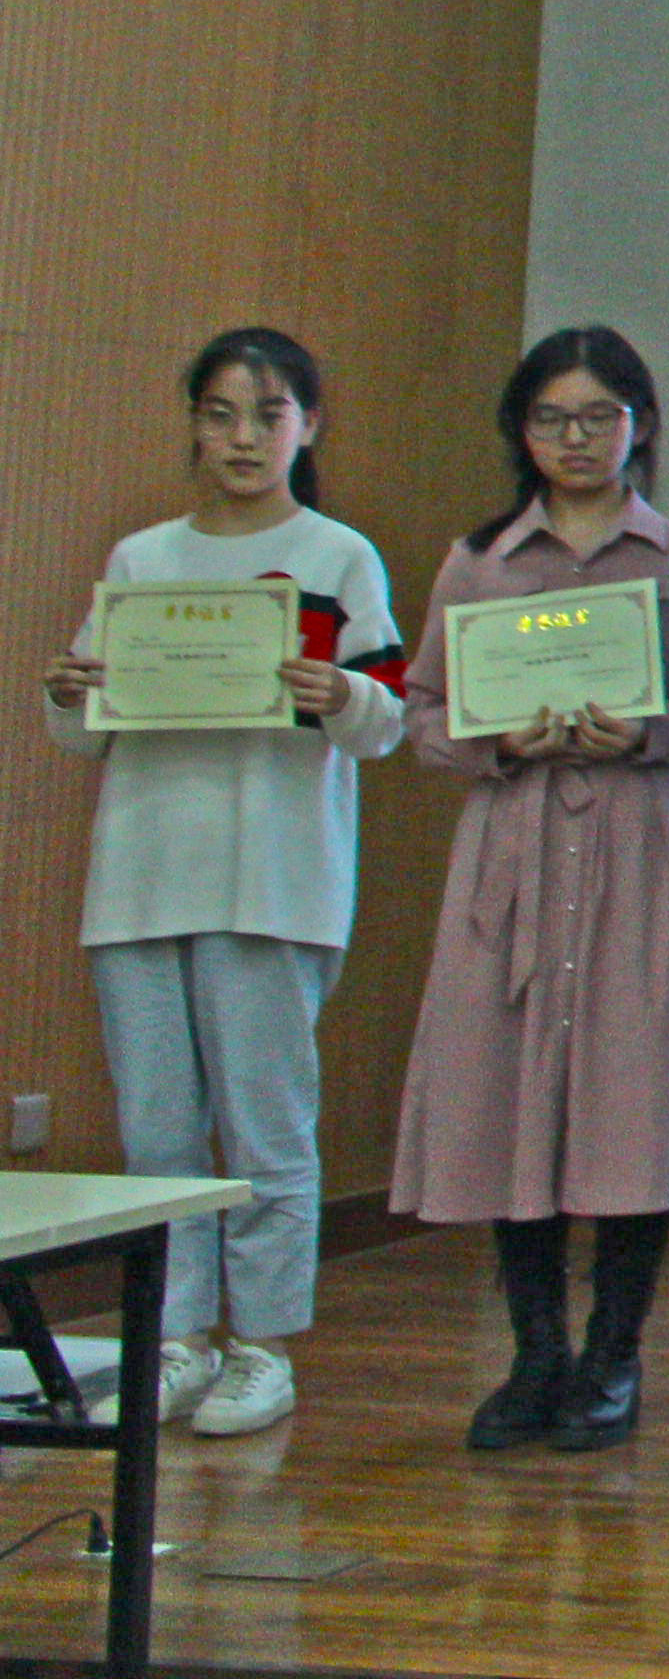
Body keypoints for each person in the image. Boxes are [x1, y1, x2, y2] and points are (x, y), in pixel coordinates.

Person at [394, 327, 669, 1453]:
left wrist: (647, 732)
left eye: (601, 417)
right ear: (522, 431)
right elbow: (422, 716)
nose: (578, 439)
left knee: (631, 1096)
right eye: (553, 418)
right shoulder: (479, 562)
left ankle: (614, 1356)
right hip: (514, 841)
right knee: (513, 1095)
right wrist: (496, 741)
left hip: (637, 843)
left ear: (640, 426)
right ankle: (536, 1355)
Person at [42, 327, 405, 1436]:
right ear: (194, 425)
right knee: (156, 1134)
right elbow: (86, 732)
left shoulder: (339, 556)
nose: (244, 437)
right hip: (142, 876)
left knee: (265, 1129)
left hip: (273, 881)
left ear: (309, 425)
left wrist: (341, 694)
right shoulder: (142, 560)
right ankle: (175, 1340)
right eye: (220, 413)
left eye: (269, 413)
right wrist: (70, 690)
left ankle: (264, 1346)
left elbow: (387, 717)